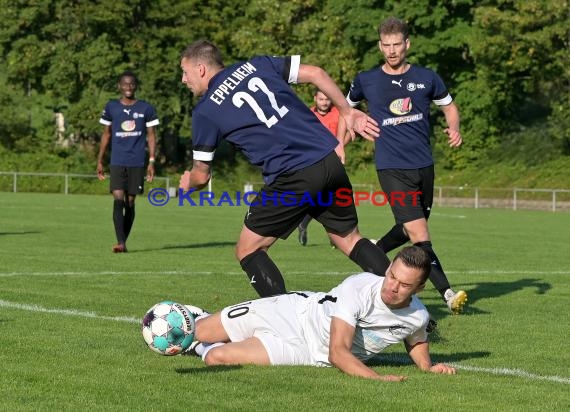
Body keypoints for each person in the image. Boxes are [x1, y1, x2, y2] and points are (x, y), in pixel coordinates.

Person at [178, 40, 389, 298]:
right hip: (329, 160)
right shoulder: (257, 64)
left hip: (293, 175)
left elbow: (202, 175)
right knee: (348, 238)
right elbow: (316, 73)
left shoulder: (206, 110)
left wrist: (187, 182)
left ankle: (285, 322)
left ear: (200, 69)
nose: (183, 80)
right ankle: (409, 303)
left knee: (248, 249)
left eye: (185, 72)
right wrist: (347, 112)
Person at [338, 17, 467, 314]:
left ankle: (375, 250)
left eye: (397, 44)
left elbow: (449, 106)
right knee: (421, 236)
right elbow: (347, 111)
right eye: (386, 45)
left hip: (424, 166)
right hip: (391, 168)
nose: (392, 50)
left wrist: (454, 127)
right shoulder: (366, 80)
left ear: (407, 44)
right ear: (380, 46)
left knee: (409, 227)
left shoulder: (427, 77)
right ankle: (448, 293)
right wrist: (340, 144)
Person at [187, 246, 457, 381]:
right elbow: (338, 352)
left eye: (404, 285)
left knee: (216, 357)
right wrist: (377, 379)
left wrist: (428, 367)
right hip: (293, 314)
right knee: (195, 331)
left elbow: (416, 338)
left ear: (419, 288)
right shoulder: (359, 287)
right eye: (391, 276)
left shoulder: (418, 315)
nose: (392, 287)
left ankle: (205, 347)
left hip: (308, 354)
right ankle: (201, 317)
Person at [97, 70, 159, 253]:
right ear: (119, 86)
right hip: (117, 161)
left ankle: (123, 240)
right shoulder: (111, 107)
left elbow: (151, 136)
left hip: (137, 162)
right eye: (125, 84)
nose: (128, 87)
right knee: (118, 199)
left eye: (132, 84)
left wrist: (152, 161)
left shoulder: (146, 108)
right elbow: (106, 135)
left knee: (130, 202)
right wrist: (100, 160)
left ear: (136, 86)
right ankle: (121, 242)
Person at [297, 88, 340, 247]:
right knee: (324, 198)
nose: (324, 102)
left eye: (327, 99)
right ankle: (334, 236)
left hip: (334, 161)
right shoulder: (307, 114)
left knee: (331, 199)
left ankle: (304, 224)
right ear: (315, 98)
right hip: (313, 162)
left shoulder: (338, 113)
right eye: (321, 99)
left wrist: (341, 147)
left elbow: (346, 134)